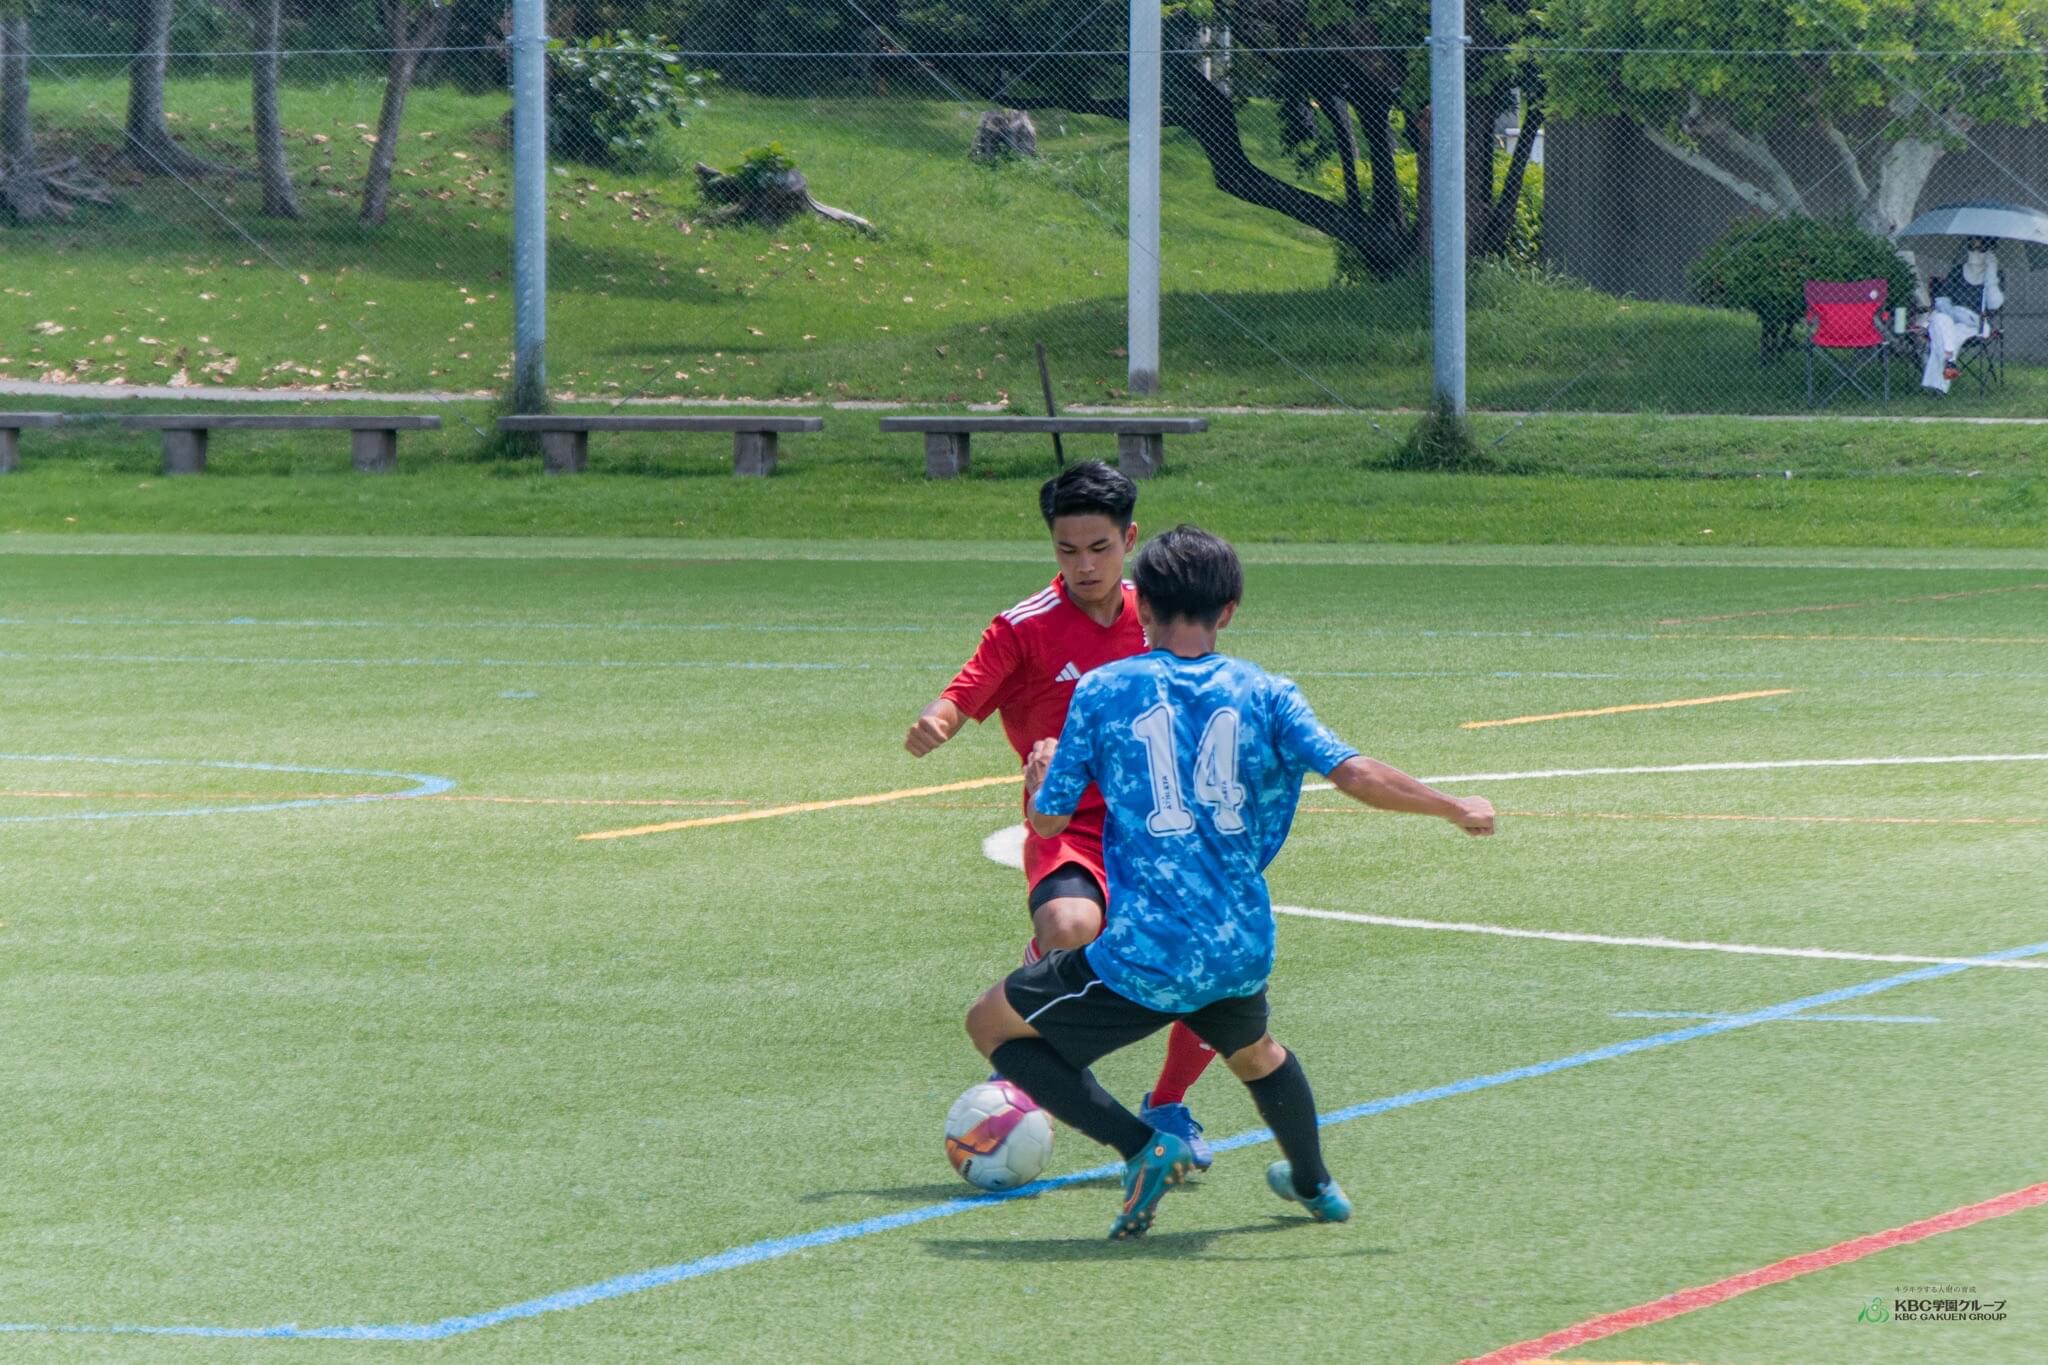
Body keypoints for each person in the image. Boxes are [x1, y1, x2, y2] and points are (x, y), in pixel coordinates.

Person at [964, 525, 1497, 1239]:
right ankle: (1314, 1183)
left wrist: (1037, 781)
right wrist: (1453, 806)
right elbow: (1355, 772)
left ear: (1142, 606)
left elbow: (1052, 821)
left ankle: (1141, 1143)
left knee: (990, 1024)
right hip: (1237, 943)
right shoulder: (1268, 693)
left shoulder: (1103, 691)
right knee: (1257, 1053)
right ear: (1230, 609)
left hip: (1146, 951)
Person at [905, 462, 1221, 1166]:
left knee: (1215, 959)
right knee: (1071, 927)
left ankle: (1168, 1102)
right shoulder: (1024, 627)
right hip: (1068, 826)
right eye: (1067, 550)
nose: (1084, 566)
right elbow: (961, 692)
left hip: (1159, 825)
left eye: (1100, 548)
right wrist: (936, 722)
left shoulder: (1160, 615)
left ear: (1129, 539)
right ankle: (1029, 1024)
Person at [1920, 236, 2004, 395]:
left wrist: (1991, 274)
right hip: (1950, 317)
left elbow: (1994, 304)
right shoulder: (1957, 270)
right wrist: (1951, 313)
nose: (1975, 252)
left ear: (1990, 250)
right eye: (1972, 247)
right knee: (1941, 320)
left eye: (1980, 248)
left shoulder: (1996, 275)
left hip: (1974, 323)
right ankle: (1949, 364)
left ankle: (1937, 383)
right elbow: (1942, 299)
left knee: (1951, 332)